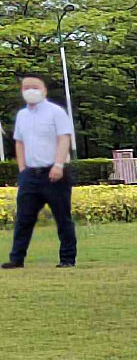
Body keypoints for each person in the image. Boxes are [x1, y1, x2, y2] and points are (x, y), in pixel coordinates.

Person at [4, 76, 77, 269]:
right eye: (26, 87)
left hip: (55, 172)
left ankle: (67, 258)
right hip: (30, 175)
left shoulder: (56, 112)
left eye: (34, 87)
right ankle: (16, 258)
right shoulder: (22, 115)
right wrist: (22, 169)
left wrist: (58, 165)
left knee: (62, 217)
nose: (30, 91)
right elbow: (19, 142)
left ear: (44, 90)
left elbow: (64, 139)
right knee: (23, 219)